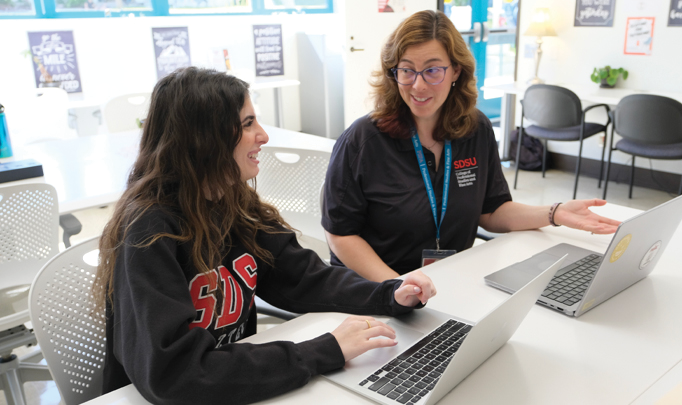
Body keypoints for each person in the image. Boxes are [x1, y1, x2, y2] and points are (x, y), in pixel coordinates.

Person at [92, 67, 436, 405]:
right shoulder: (149, 231)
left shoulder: (233, 202)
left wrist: (389, 294)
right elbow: (174, 374)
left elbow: (303, 277)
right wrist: (325, 349)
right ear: (203, 138)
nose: (263, 135)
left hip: (230, 386)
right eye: (247, 124)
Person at [321, 10, 621, 282]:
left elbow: (492, 211)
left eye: (433, 70)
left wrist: (554, 213)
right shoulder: (362, 141)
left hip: (449, 282)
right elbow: (340, 234)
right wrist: (396, 287)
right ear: (393, 73)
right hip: (374, 290)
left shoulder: (475, 129)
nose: (418, 85)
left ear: (455, 71)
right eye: (407, 70)